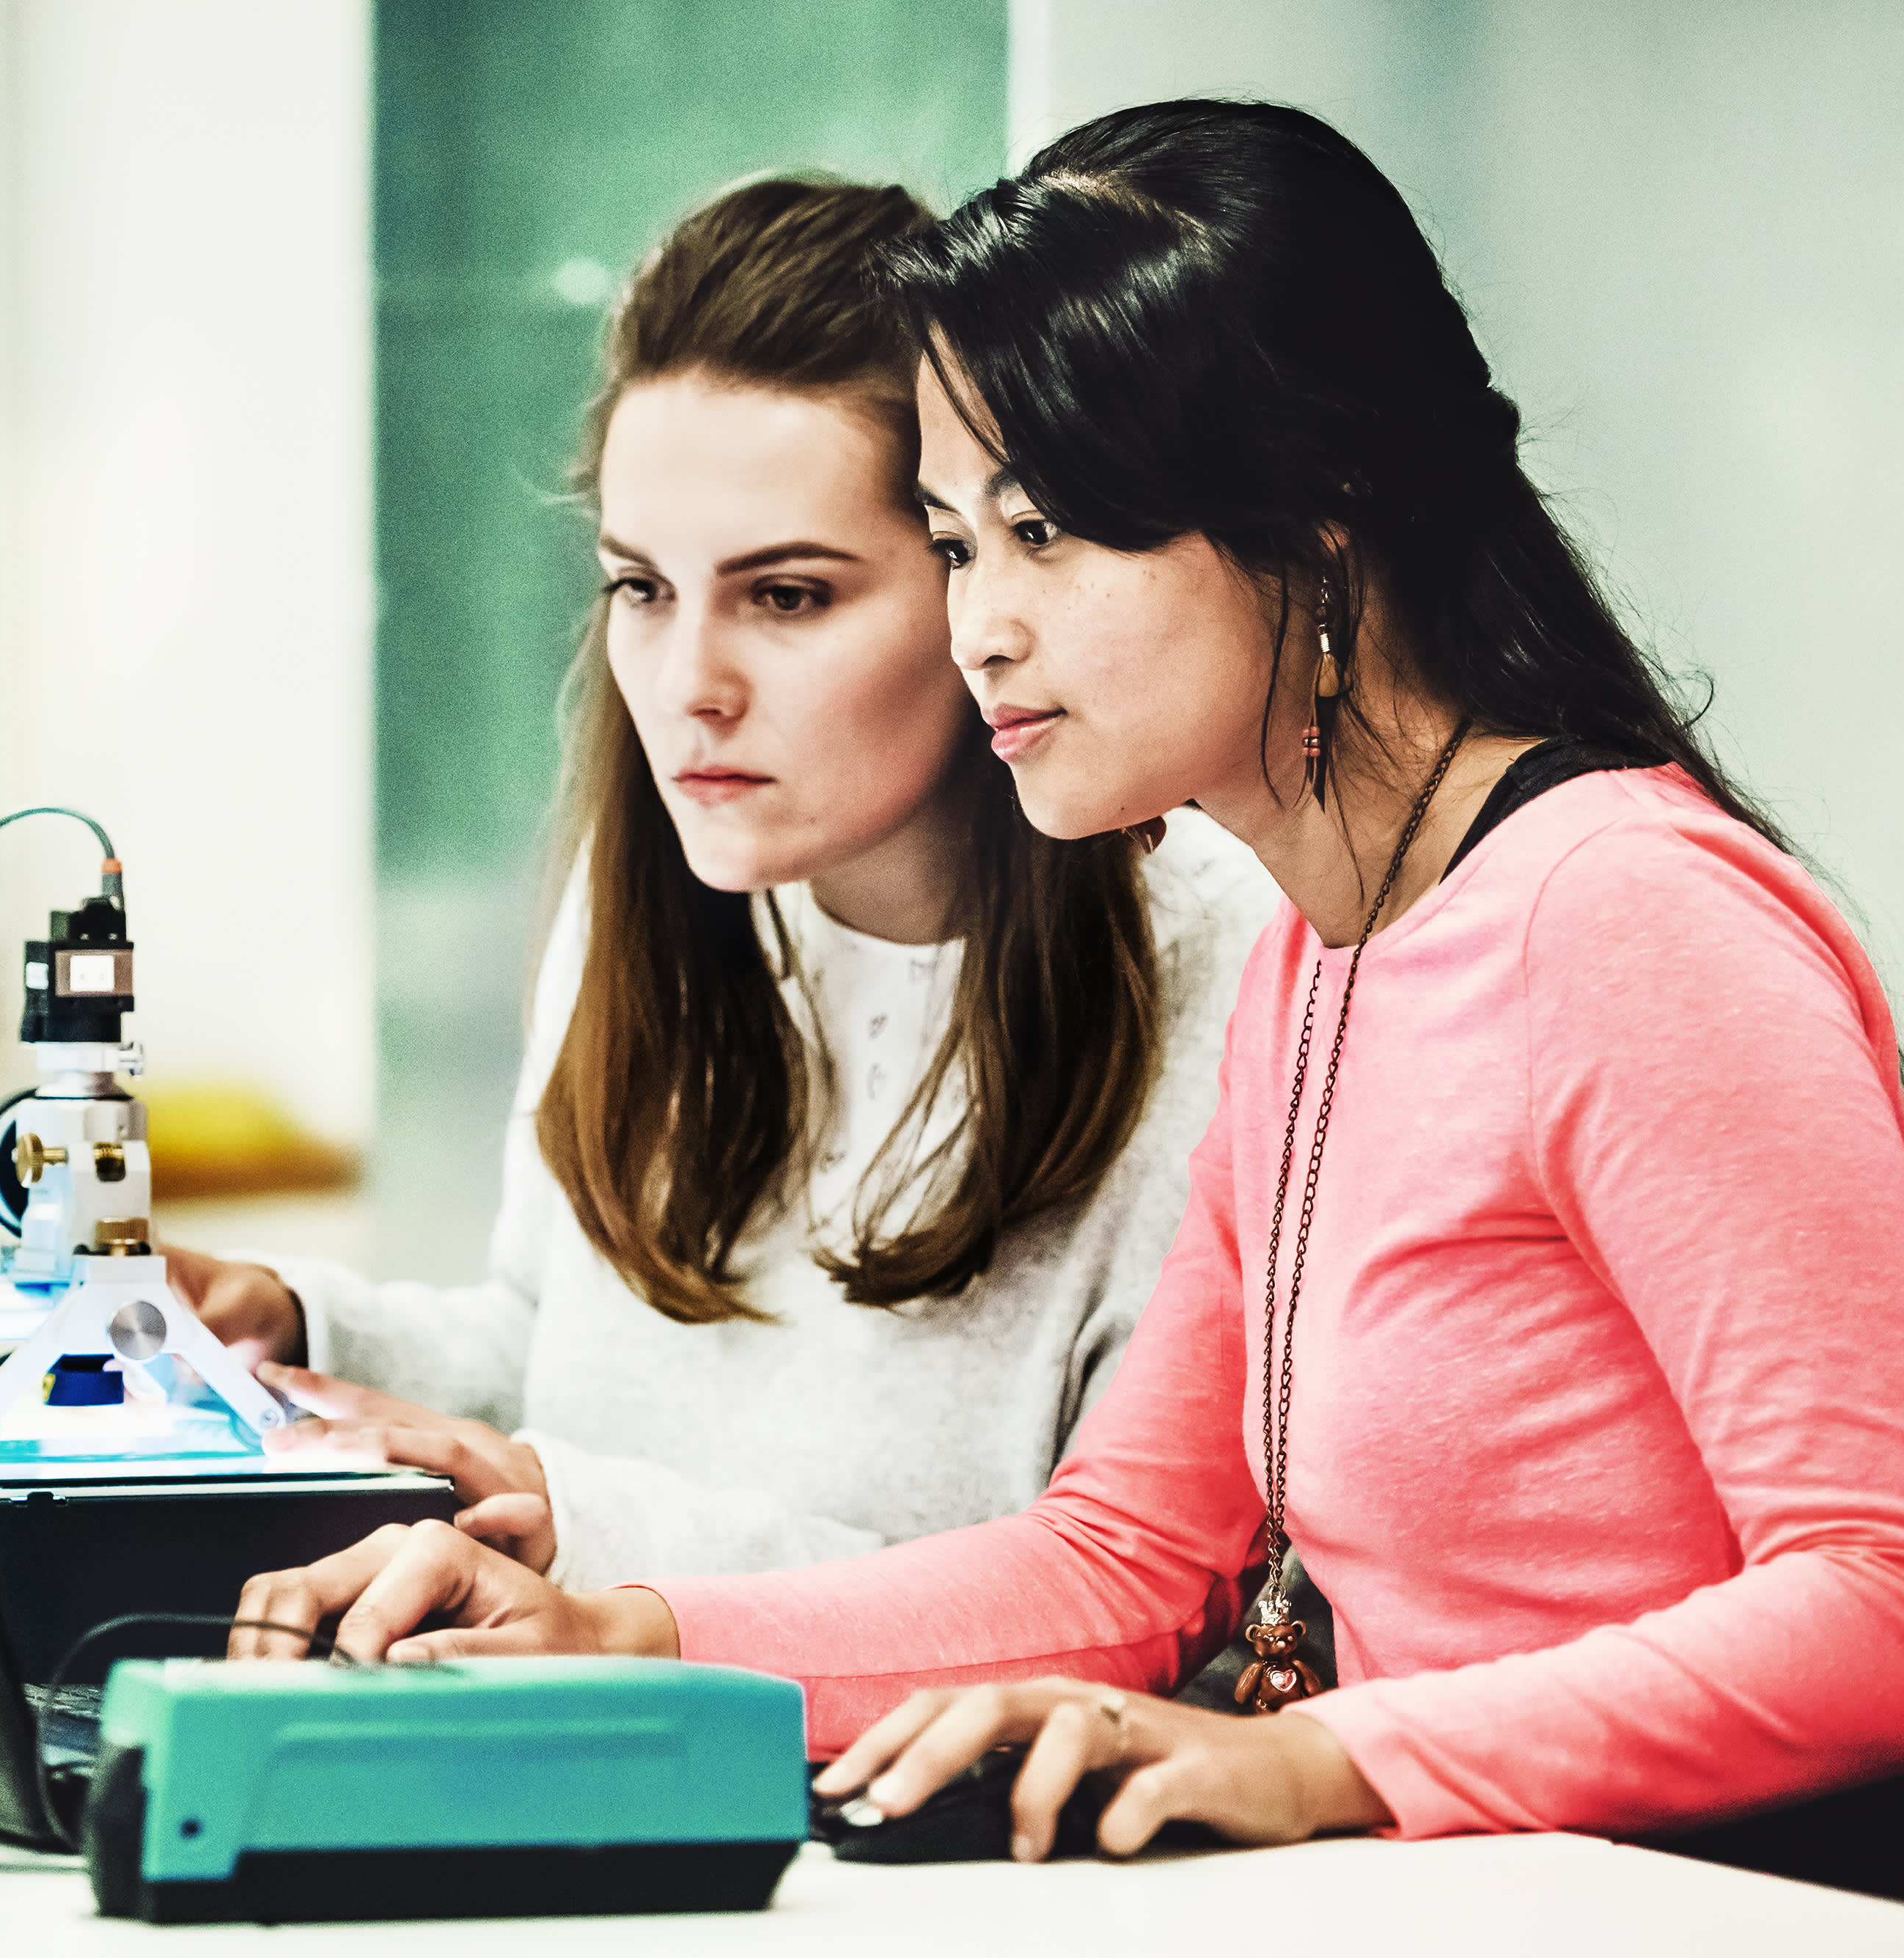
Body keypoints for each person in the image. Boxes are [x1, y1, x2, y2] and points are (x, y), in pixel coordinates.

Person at [225, 103, 1904, 1889]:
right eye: (954, 545)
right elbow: (1119, 1556)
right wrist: (615, 1632)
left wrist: (1323, 1759)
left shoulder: (1620, 917)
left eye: (1044, 535)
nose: (980, 630)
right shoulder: (1316, 955)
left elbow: (1878, 1591)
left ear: (1313, 533)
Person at [169, 177, 1276, 1589]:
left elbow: (1100, 1603)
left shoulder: (1231, 981)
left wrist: (579, 1520)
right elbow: (555, 1350)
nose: (689, 688)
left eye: (788, 595)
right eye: (642, 588)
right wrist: (297, 1329)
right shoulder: (661, 883)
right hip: (588, 1719)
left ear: (970, 579)